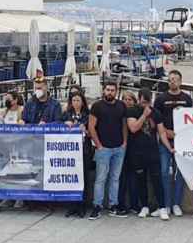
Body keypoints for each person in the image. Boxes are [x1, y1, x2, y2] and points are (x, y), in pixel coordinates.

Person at [154, 69, 193, 220]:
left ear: (180, 81)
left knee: (180, 173)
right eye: (170, 79)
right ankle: (166, 204)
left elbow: (192, 120)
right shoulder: (160, 98)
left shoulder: (187, 99)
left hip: (182, 142)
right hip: (165, 141)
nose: (173, 82)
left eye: (175, 79)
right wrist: (166, 132)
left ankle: (176, 203)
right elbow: (156, 120)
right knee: (164, 173)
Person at [89, 81, 129, 219]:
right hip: (103, 148)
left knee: (115, 178)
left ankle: (113, 205)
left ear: (116, 92)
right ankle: (97, 206)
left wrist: (124, 142)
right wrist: (98, 145)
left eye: (112, 90)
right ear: (103, 91)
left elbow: (124, 124)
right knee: (100, 179)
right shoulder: (97, 106)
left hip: (118, 148)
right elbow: (91, 126)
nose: (110, 92)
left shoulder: (121, 105)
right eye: (108, 90)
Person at [126, 88, 162, 219]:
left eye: (147, 102)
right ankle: (144, 206)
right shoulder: (132, 111)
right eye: (142, 102)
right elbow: (133, 128)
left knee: (156, 180)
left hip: (152, 151)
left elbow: (161, 132)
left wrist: (170, 148)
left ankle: (162, 206)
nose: (145, 105)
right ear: (139, 100)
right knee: (140, 180)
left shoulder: (156, 112)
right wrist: (144, 115)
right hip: (137, 152)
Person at [62, 92, 92, 217]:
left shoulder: (88, 115)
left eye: (78, 100)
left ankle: (82, 205)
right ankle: (71, 205)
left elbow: (92, 132)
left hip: (84, 150)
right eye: (73, 100)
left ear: (82, 102)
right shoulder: (66, 114)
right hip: (70, 151)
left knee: (83, 177)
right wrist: (65, 123)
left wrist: (86, 130)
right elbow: (57, 124)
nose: (76, 102)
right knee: (70, 176)